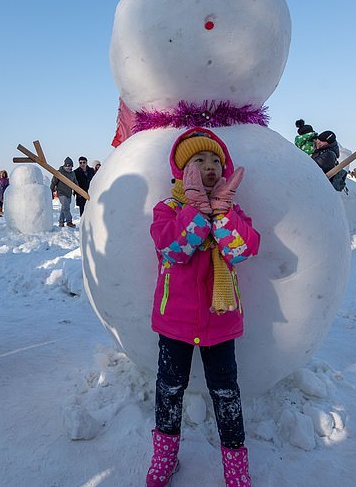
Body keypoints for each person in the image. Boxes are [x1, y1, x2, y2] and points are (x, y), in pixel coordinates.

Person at [146, 128, 259, 487]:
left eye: (216, 161)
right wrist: (196, 208)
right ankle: (164, 457)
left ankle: (235, 466)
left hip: (220, 319)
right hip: (175, 320)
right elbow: (174, 250)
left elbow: (240, 250)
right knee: (169, 388)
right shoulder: (167, 210)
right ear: (182, 170)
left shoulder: (233, 210)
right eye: (199, 160)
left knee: (226, 391)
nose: (210, 167)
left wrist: (221, 212)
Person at [50, 157, 76, 228]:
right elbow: (53, 182)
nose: (70, 167)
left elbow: (75, 183)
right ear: (65, 165)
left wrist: (78, 191)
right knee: (66, 207)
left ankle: (61, 222)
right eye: (68, 165)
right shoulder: (59, 172)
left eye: (71, 166)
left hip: (69, 193)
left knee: (64, 208)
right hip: (61, 193)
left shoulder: (72, 173)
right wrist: (51, 192)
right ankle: (69, 221)